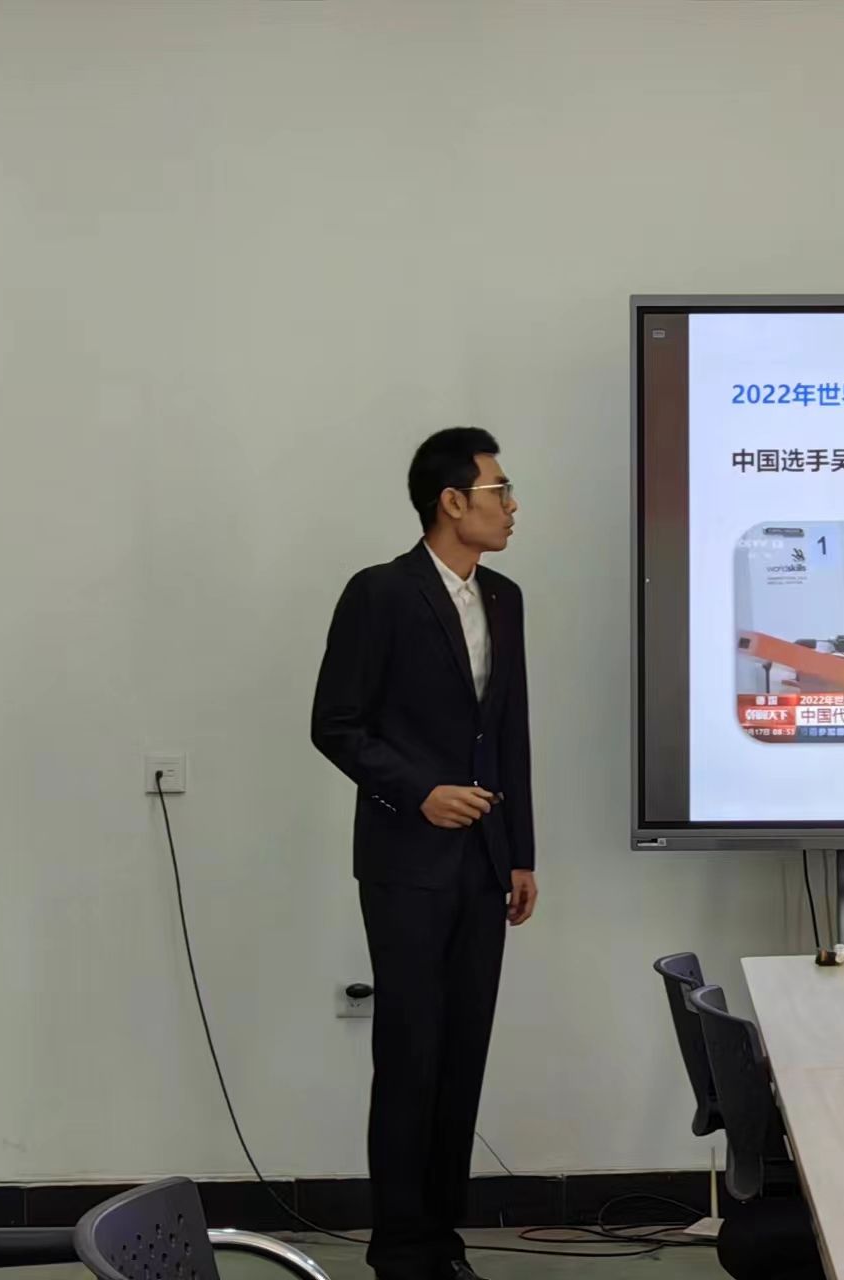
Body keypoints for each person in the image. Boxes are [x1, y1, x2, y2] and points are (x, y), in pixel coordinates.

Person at [311, 427, 535, 1280]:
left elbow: (509, 734)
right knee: (410, 1052)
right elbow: (335, 725)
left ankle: (443, 1242)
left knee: (464, 1052)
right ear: (451, 501)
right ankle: (401, 1250)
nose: (511, 507)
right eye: (498, 491)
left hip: (485, 862)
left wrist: (520, 853)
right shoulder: (381, 593)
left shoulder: (504, 598)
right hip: (405, 861)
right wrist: (420, 792)